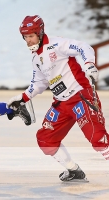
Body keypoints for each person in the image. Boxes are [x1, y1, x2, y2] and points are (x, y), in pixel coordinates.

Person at [7, 15, 109, 182]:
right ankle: (74, 171)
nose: (28, 41)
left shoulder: (57, 44)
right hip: (61, 104)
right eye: (25, 37)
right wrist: (22, 98)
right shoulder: (35, 58)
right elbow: (39, 83)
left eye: (31, 36)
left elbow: (84, 47)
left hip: (80, 96)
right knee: (45, 139)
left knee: (98, 139)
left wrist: (89, 64)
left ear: (40, 33)